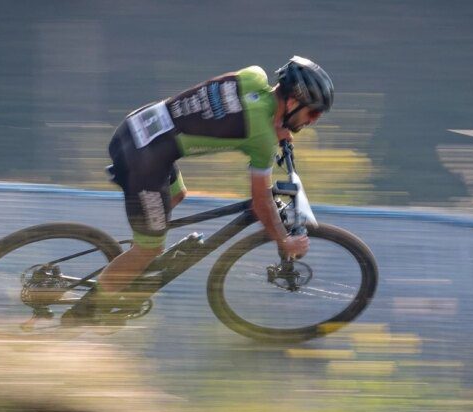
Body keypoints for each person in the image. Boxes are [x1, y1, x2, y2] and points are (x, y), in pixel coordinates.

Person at [67, 56, 334, 324]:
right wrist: (284, 241)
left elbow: (242, 111)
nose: (313, 120)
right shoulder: (261, 138)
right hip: (144, 159)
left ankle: (139, 247)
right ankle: (85, 311)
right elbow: (261, 203)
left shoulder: (254, 76)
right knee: (149, 249)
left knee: (177, 194)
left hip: (139, 126)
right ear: (292, 101)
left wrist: (276, 126)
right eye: (312, 112)